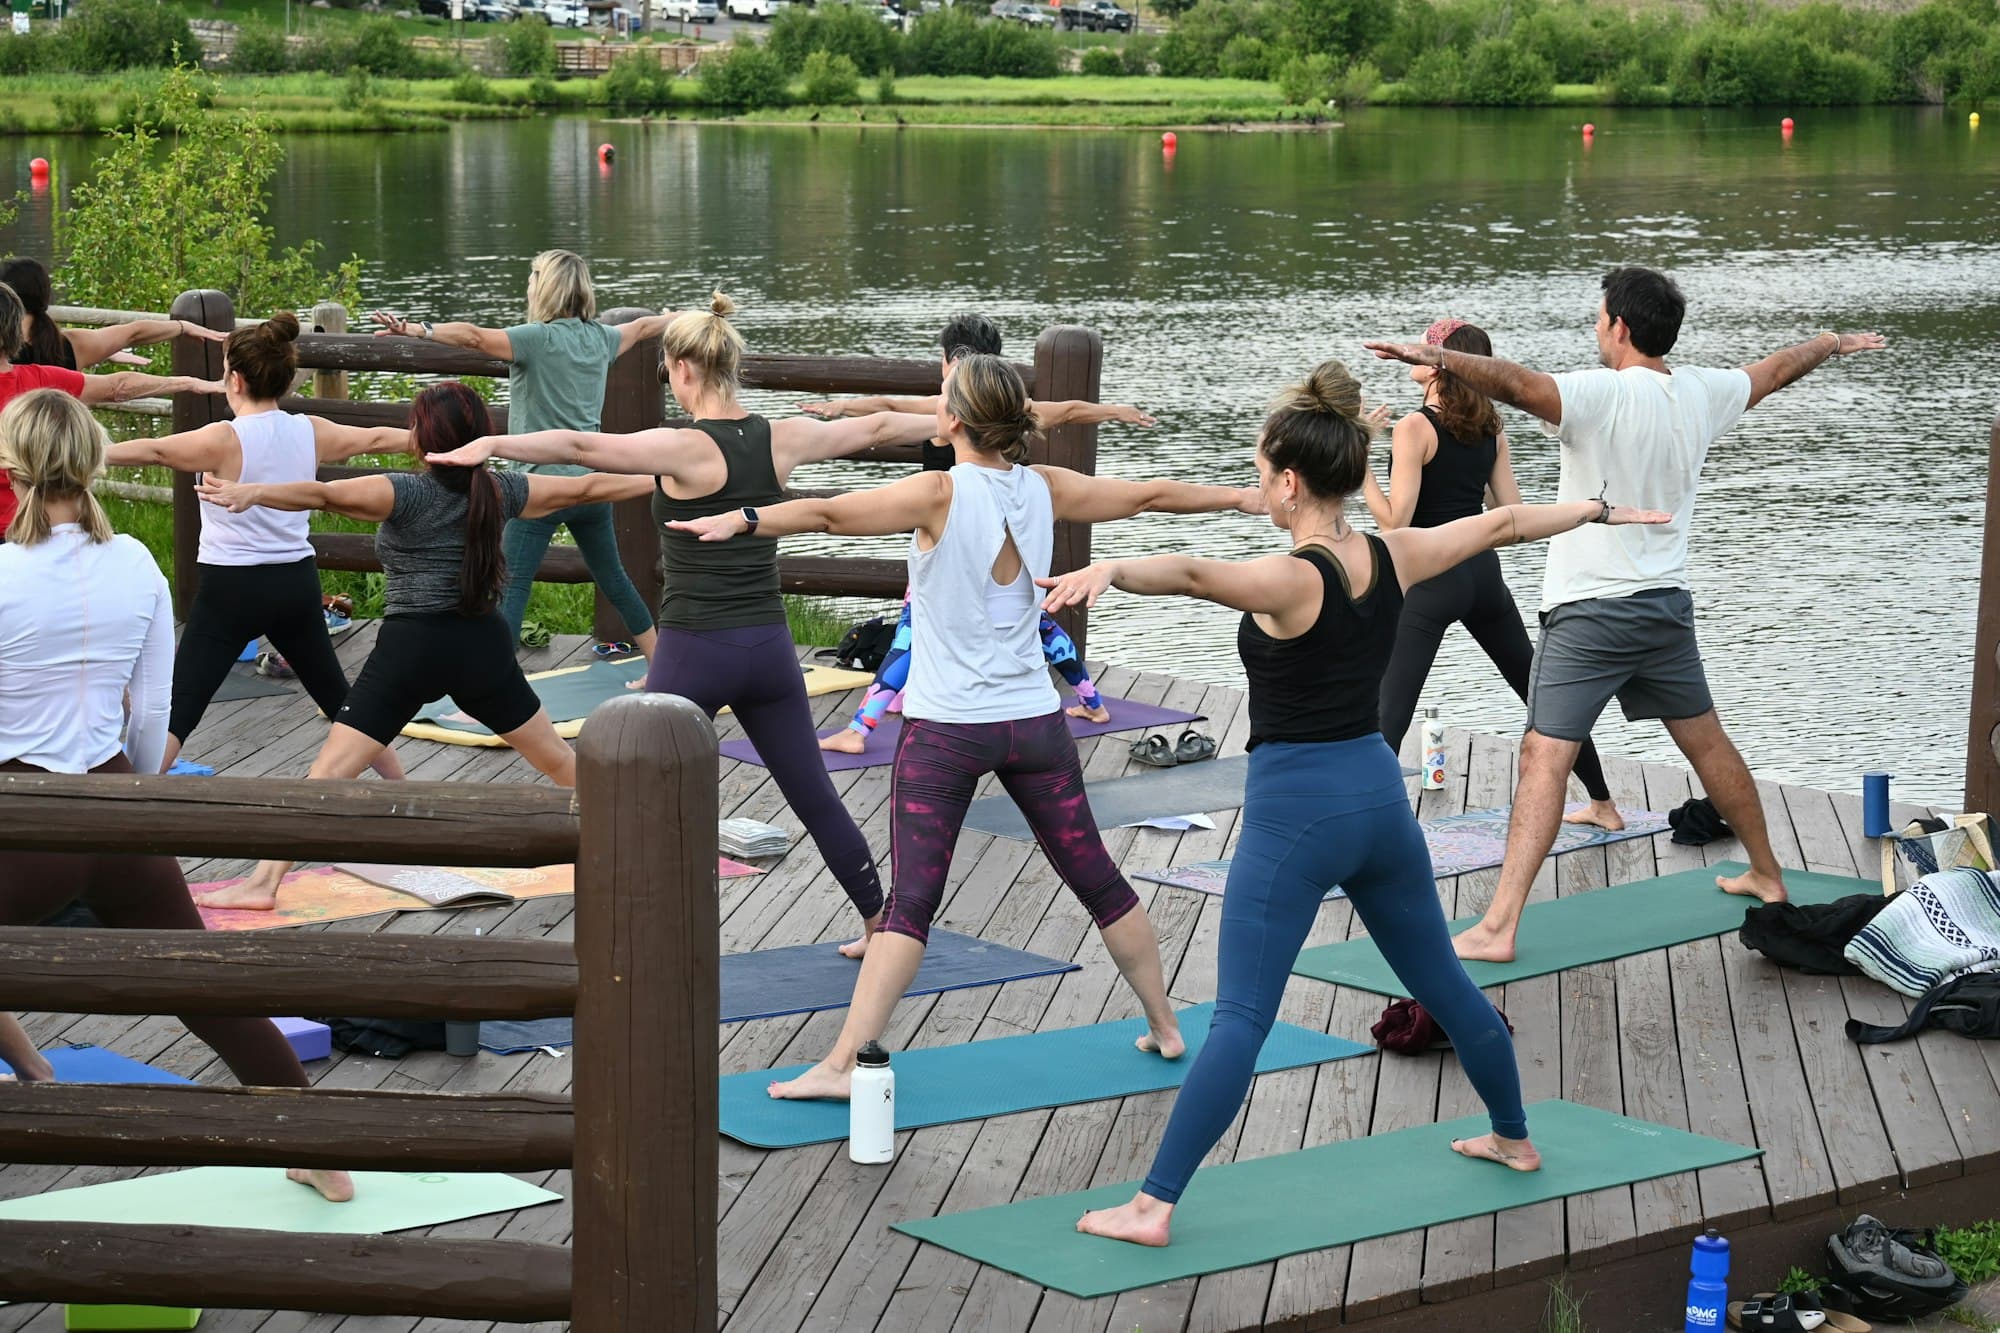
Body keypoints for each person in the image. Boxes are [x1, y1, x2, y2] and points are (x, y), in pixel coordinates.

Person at [1031, 360, 1669, 1248]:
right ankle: (1514, 1137)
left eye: (1260, 473)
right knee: (1442, 980)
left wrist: (1115, 571)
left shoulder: (1292, 578)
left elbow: (1195, 574)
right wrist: (1599, 511)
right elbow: (1508, 520)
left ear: (1291, 482)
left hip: (1297, 815)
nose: (1257, 486)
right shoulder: (1394, 552)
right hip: (1378, 797)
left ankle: (1153, 1205)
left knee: (1243, 1015)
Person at [662, 351, 1272, 1100]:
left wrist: (747, 517)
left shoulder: (939, 491)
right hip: (1035, 725)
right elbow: (1148, 494)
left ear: (953, 419)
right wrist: (1241, 499)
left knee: (911, 904)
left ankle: (840, 1064)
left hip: (948, 733)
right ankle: (1167, 1024)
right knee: (1099, 880)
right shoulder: (1044, 485)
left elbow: (828, 514)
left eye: (941, 396)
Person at [1366, 267, 1886, 963]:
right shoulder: (1704, 392)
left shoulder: (1597, 393)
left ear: (1620, 328)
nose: (1593, 325)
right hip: (1666, 609)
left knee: (1542, 757)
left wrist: (1436, 357)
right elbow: (1772, 372)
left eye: (1599, 315)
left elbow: (1518, 384)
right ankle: (1766, 869)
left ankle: (1499, 926)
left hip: (1588, 613)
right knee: (1707, 743)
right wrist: (1827, 341)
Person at [425, 293, 945, 958]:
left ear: (686, 371)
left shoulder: (680, 447)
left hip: (695, 651)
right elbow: (875, 426)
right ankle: (880, 922)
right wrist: (960, 413)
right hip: (768, 649)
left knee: (625, 791)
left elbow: (581, 444)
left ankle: (619, 935)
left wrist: (495, 441)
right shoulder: (782, 437)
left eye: (670, 370)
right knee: (814, 794)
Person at [0, 388, 353, 1201]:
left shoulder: (6, 575)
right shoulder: (135, 563)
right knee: (205, 991)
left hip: (24, 813)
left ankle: (33, 1070)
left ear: (15, 468)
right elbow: (153, 708)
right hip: (119, 802)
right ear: (89, 462)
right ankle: (320, 1151)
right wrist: (137, 806)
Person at [190, 382, 643, 911]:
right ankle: (635, 843)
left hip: (411, 649)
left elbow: (323, 494)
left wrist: (252, 493)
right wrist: (668, 475)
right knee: (559, 762)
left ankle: (263, 885)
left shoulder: (403, 492)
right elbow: (586, 490)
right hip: (482, 646)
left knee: (330, 773)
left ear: (424, 438)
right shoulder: (503, 489)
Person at [802, 314, 1151, 752]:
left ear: (946, 360)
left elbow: (884, 414)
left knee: (915, 630)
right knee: (1035, 623)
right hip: (1004, 537)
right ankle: (1092, 701)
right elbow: (1068, 411)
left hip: (955, 543)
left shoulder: (947, 406)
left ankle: (858, 730)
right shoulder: (1009, 409)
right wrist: (1116, 411)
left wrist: (839, 410)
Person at [104, 313, 413, 775]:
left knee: (183, 704)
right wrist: (427, 441)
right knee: (339, 699)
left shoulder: (223, 438)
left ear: (234, 378)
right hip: (295, 584)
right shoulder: (309, 429)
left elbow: (154, 450)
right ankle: (403, 790)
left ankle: (130, 801)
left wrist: (78, 452)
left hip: (231, 589)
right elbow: (372, 438)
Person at [1362, 317, 1622, 831]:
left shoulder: (1416, 427)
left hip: (1431, 579)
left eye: (1424, 346)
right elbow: (1513, 513)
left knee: (1390, 710)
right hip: (1482, 577)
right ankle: (1603, 804)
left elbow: (1395, 522)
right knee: (1540, 694)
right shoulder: (1491, 429)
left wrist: (1364, 467)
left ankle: (1358, 831)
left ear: (1436, 362)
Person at [370, 249, 673, 668]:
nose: (528, 286)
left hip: (536, 489)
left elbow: (474, 337)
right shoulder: (601, 338)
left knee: (511, 589)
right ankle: (663, 668)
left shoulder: (535, 338)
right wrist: (682, 319)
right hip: (589, 487)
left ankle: (492, 683)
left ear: (545, 289)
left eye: (532, 279)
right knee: (614, 579)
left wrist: (418, 329)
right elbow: (642, 327)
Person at [0, 281, 224, 534]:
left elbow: (119, 382)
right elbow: (117, 386)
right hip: (33, 529)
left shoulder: (42, 377)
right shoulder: (40, 379)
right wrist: (187, 381)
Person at [0, 257, 229, 372]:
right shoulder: (68, 345)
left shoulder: (6, 350)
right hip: (59, 454)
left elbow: (133, 333)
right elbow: (134, 332)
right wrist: (183, 326)